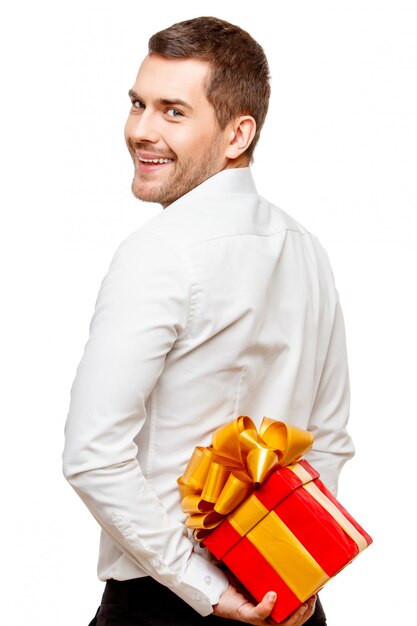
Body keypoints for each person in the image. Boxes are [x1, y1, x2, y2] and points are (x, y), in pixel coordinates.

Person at [63, 16, 354, 626]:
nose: (141, 130)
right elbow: (327, 439)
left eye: (173, 112)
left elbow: (92, 454)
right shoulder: (307, 248)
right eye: (138, 104)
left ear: (236, 134)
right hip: (288, 602)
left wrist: (208, 590)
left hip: (166, 605)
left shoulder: (156, 251)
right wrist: (295, 570)